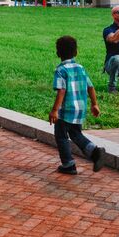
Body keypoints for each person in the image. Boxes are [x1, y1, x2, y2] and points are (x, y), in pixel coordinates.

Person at [48, 36, 105, 175]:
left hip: (66, 110)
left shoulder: (60, 70)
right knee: (75, 133)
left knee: (61, 136)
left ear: (58, 53)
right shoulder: (80, 68)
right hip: (80, 109)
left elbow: (61, 90)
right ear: (76, 52)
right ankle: (95, 151)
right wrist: (94, 104)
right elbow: (90, 87)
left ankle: (68, 164)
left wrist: (55, 110)